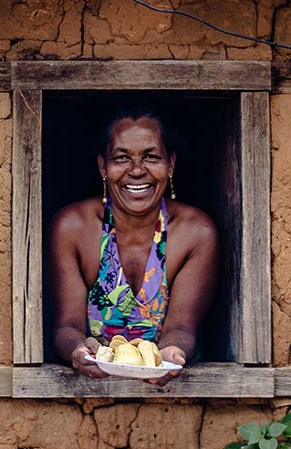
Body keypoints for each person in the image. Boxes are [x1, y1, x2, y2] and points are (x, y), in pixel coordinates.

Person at [47, 110, 219, 385]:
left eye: (151, 157)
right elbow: (67, 325)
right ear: (103, 166)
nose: (137, 170)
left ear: (171, 163)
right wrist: (77, 351)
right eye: (121, 158)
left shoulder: (195, 232)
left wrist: (170, 355)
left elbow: (181, 327)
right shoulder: (73, 228)